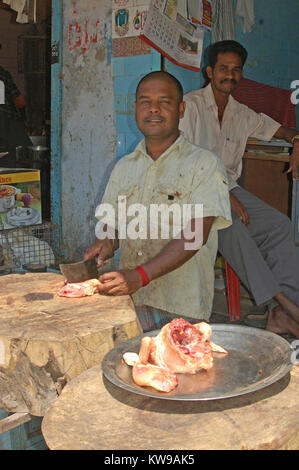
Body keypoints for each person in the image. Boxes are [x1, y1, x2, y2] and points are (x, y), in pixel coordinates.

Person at [84, 71, 231, 332]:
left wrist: (140, 275)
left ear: (181, 109)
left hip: (181, 306)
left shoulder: (204, 165)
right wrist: (105, 242)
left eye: (164, 101)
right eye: (145, 101)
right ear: (135, 109)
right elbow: (111, 224)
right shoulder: (123, 168)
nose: (153, 109)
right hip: (129, 301)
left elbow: (195, 236)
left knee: (180, 367)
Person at [179, 40, 299, 338]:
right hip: (190, 194)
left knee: (279, 225)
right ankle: (283, 305)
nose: (229, 75)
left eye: (235, 70)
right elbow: (182, 160)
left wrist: (297, 142)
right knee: (229, 225)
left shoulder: (243, 114)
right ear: (209, 71)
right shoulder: (190, 106)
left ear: (241, 74)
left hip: (228, 190)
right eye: (223, 68)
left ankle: (284, 311)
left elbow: (283, 130)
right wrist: (224, 195)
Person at [0, 65, 31, 167]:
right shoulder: (2, 73)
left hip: (6, 120)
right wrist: (24, 119)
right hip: (6, 119)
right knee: (27, 154)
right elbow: (19, 100)